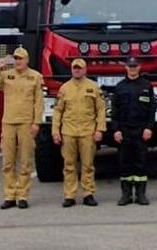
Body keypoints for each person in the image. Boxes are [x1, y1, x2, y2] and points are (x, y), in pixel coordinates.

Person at [0, 46, 45, 210]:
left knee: (25, 162)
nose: (18, 61)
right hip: (8, 122)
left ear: (27, 60)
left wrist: (37, 122)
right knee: (8, 162)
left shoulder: (35, 77)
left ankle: (22, 196)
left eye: (20, 58)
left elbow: (39, 102)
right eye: (16, 59)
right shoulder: (7, 76)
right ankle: (9, 195)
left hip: (26, 123)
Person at [53, 57, 105, 207]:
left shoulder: (94, 87)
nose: (77, 70)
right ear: (71, 69)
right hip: (68, 132)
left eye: (79, 68)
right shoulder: (64, 88)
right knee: (69, 165)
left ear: (85, 70)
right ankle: (70, 195)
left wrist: (100, 129)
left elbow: (100, 110)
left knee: (88, 165)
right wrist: (55, 131)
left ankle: (88, 193)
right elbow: (58, 111)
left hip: (87, 132)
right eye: (74, 68)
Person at [108, 56, 156, 206]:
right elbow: (114, 111)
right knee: (125, 163)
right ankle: (126, 195)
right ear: (126, 68)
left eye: (135, 66)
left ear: (139, 68)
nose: (133, 69)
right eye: (130, 66)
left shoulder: (147, 86)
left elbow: (151, 110)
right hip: (124, 130)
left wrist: (149, 127)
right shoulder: (120, 87)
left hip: (141, 130)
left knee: (141, 162)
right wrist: (116, 130)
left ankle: (141, 194)